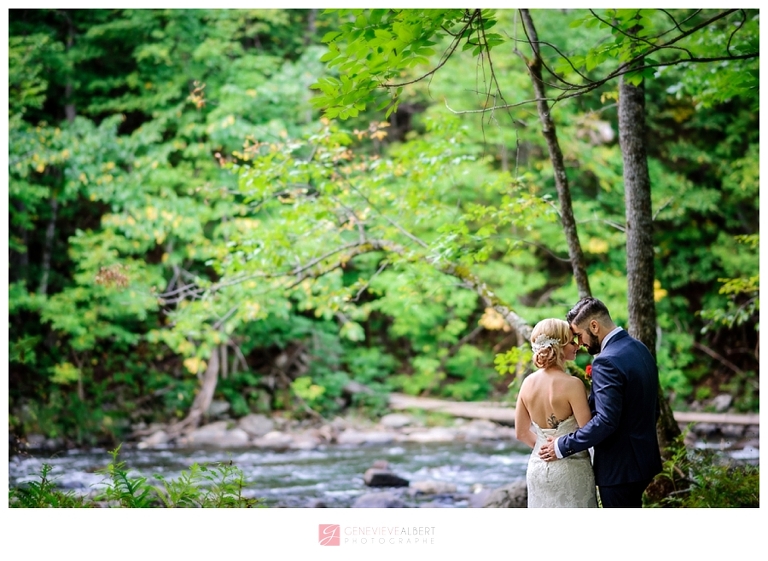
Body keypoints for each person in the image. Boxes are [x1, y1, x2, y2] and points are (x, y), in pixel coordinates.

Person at [538, 297, 663, 508]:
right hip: (644, 461)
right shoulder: (639, 348)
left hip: (619, 470)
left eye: (579, 335)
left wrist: (562, 445)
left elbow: (605, 421)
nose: (579, 343)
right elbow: (654, 408)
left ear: (594, 326)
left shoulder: (607, 361)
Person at [515, 318, 598, 508]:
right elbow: (588, 431)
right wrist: (560, 449)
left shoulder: (527, 383)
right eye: (571, 341)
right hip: (571, 468)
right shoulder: (573, 385)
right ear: (558, 347)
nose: (577, 345)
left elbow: (520, 433)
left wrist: (544, 447)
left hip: (537, 467)